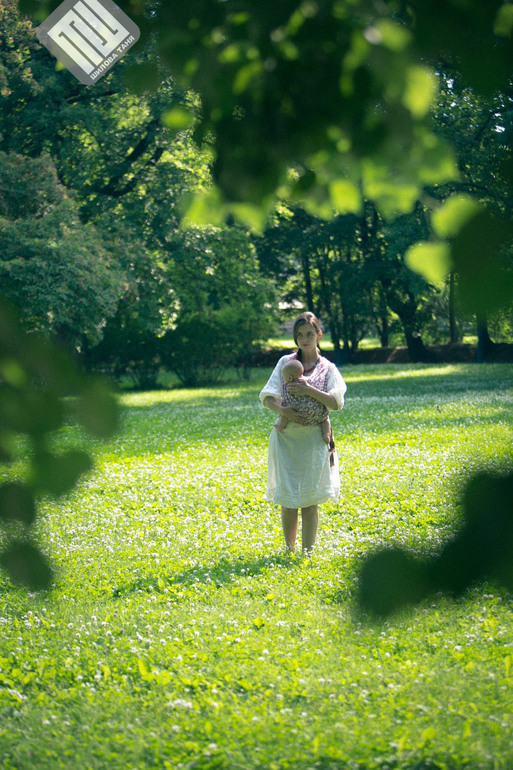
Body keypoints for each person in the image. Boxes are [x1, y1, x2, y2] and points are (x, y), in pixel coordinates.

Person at [259, 312, 347, 554]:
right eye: (299, 335)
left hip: (314, 439)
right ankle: (290, 550)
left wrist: (309, 390)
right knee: (288, 500)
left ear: (319, 335)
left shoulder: (328, 368)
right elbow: (267, 397)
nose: (304, 340)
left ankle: (307, 552)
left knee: (310, 500)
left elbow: (336, 403)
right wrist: (283, 410)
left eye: (309, 334)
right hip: (287, 438)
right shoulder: (285, 363)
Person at [273, 358, 332, 449]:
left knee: (285, 412)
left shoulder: (289, 385)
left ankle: (281, 426)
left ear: (289, 378)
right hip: (316, 413)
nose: (283, 379)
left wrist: (282, 409)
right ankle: (326, 433)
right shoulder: (309, 382)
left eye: (283, 376)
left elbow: (286, 399)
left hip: (299, 413)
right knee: (325, 419)